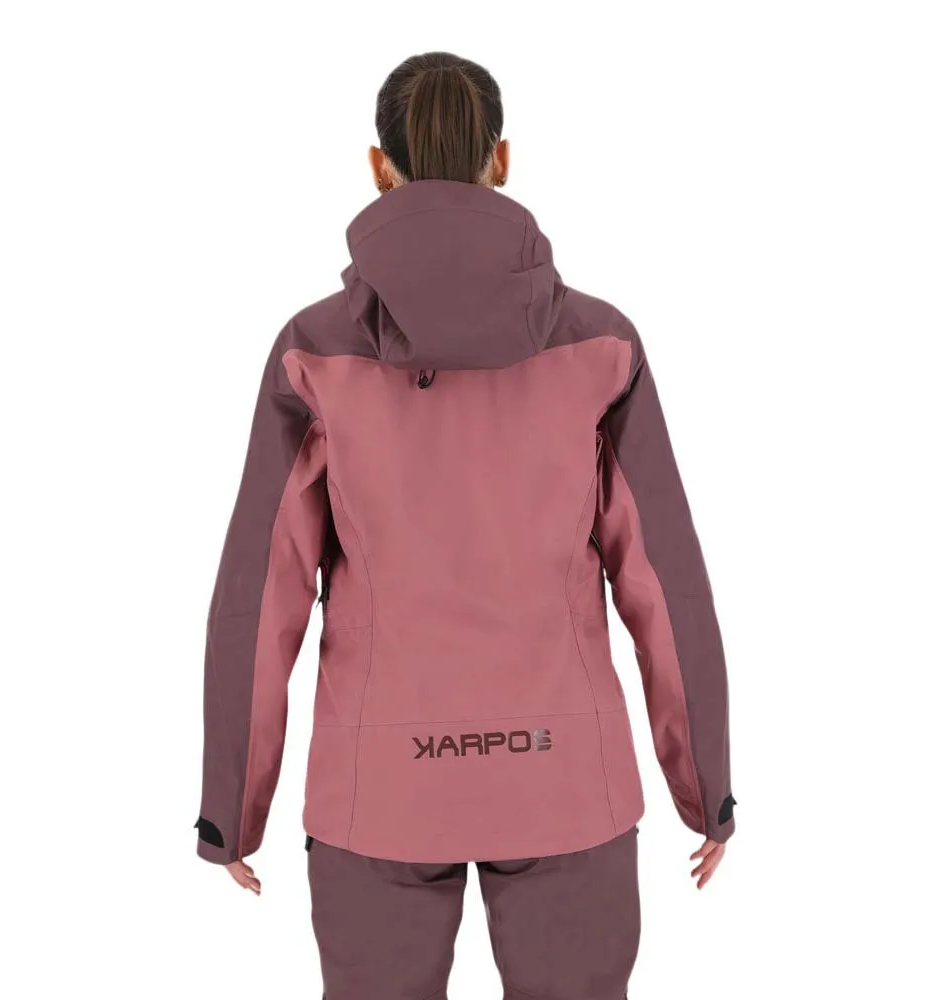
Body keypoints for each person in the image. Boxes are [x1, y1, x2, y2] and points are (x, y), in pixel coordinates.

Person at [195, 50, 735, 1000]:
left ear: (380, 167)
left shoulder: (314, 351)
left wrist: (231, 810)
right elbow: (662, 580)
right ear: (503, 159)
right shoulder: (600, 345)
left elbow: (261, 591)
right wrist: (707, 788)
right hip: (566, 781)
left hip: (379, 788)